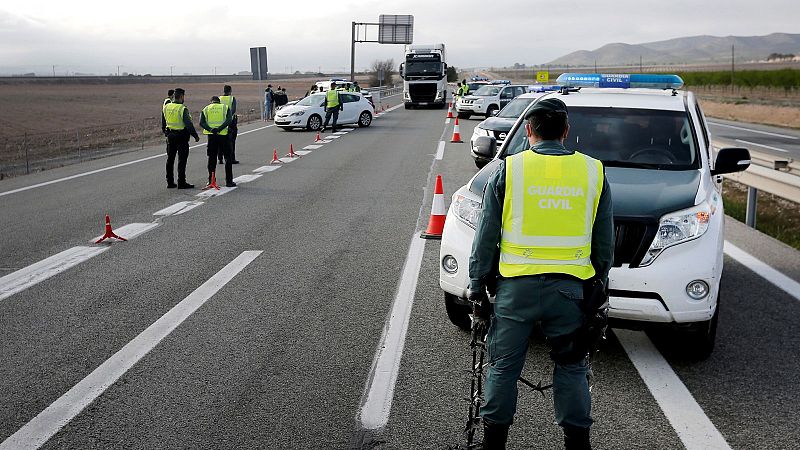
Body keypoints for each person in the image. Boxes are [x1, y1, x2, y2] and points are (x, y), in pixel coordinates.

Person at [468, 97, 614, 449]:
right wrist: (598, 284)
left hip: (515, 290)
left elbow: (486, 234)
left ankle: (494, 442)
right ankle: (577, 442)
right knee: (572, 366)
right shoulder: (593, 171)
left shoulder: (510, 169)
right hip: (570, 292)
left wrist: (476, 284)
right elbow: (605, 242)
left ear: (529, 130)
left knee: (502, 366)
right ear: (565, 131)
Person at [161, 87, 199, 189]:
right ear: (182, 96)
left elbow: (163, 121)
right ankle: (181, 182)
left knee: (170, 159)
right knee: (182, 161)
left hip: (170, 136)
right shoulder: (182, 109)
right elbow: (188, 124)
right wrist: (195, 136)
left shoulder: (166, 107)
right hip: (181, 136)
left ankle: (170, 182)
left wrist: (165, 131)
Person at [200, 96, 235, 187]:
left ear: (211, 102)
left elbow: (201, 122)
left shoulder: (206, 109)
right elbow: (229, 120)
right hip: (223, 136)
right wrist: (219, 129)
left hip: (212, 137)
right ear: (218, 102)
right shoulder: (225, 107)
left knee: (212, 159)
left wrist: (211, 129)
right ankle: (229, 181)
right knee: (228, 158)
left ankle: (211, 180)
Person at [219, 85, 240, 164]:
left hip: (221, 121)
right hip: (230, 122)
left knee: (221, 140)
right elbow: (233, 110)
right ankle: (231, 158)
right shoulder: (232, 99)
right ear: (230, 91)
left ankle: (220, 158)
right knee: (231, 141)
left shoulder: (219, 98)